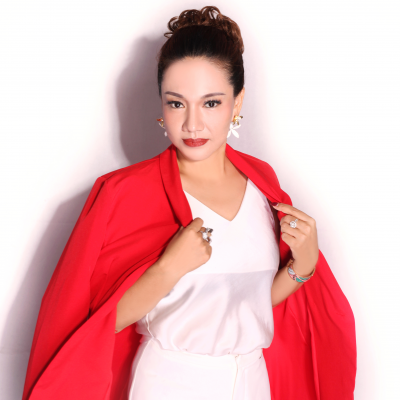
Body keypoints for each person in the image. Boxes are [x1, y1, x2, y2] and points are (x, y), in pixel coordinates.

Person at [22, 6, 356, 400]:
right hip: (170, 383)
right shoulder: (123, 192)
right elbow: (91, 326)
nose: (193, 124)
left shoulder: (263, 185)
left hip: (251, 381)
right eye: (177, 103)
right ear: (161, 106)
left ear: (237, 102)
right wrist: (168, 269)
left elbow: (245, 305)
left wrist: (303, 267)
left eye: (211, 103)